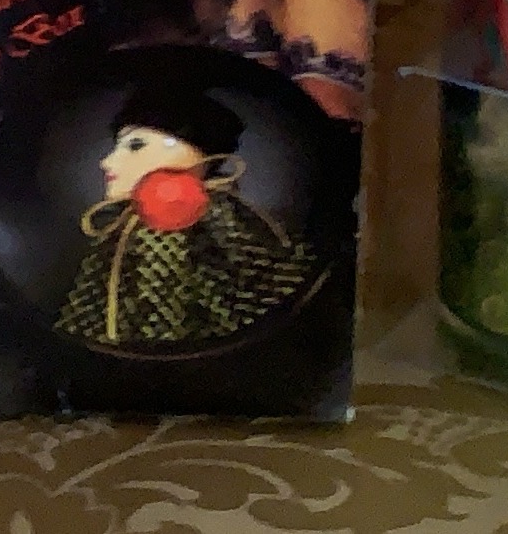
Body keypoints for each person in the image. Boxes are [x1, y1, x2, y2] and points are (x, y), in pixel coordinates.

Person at [58, 75, 317, 348]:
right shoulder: (122, 233)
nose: (106, 162)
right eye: (118, 146)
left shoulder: (225, 231)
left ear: (198, 152)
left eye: (136, 145)